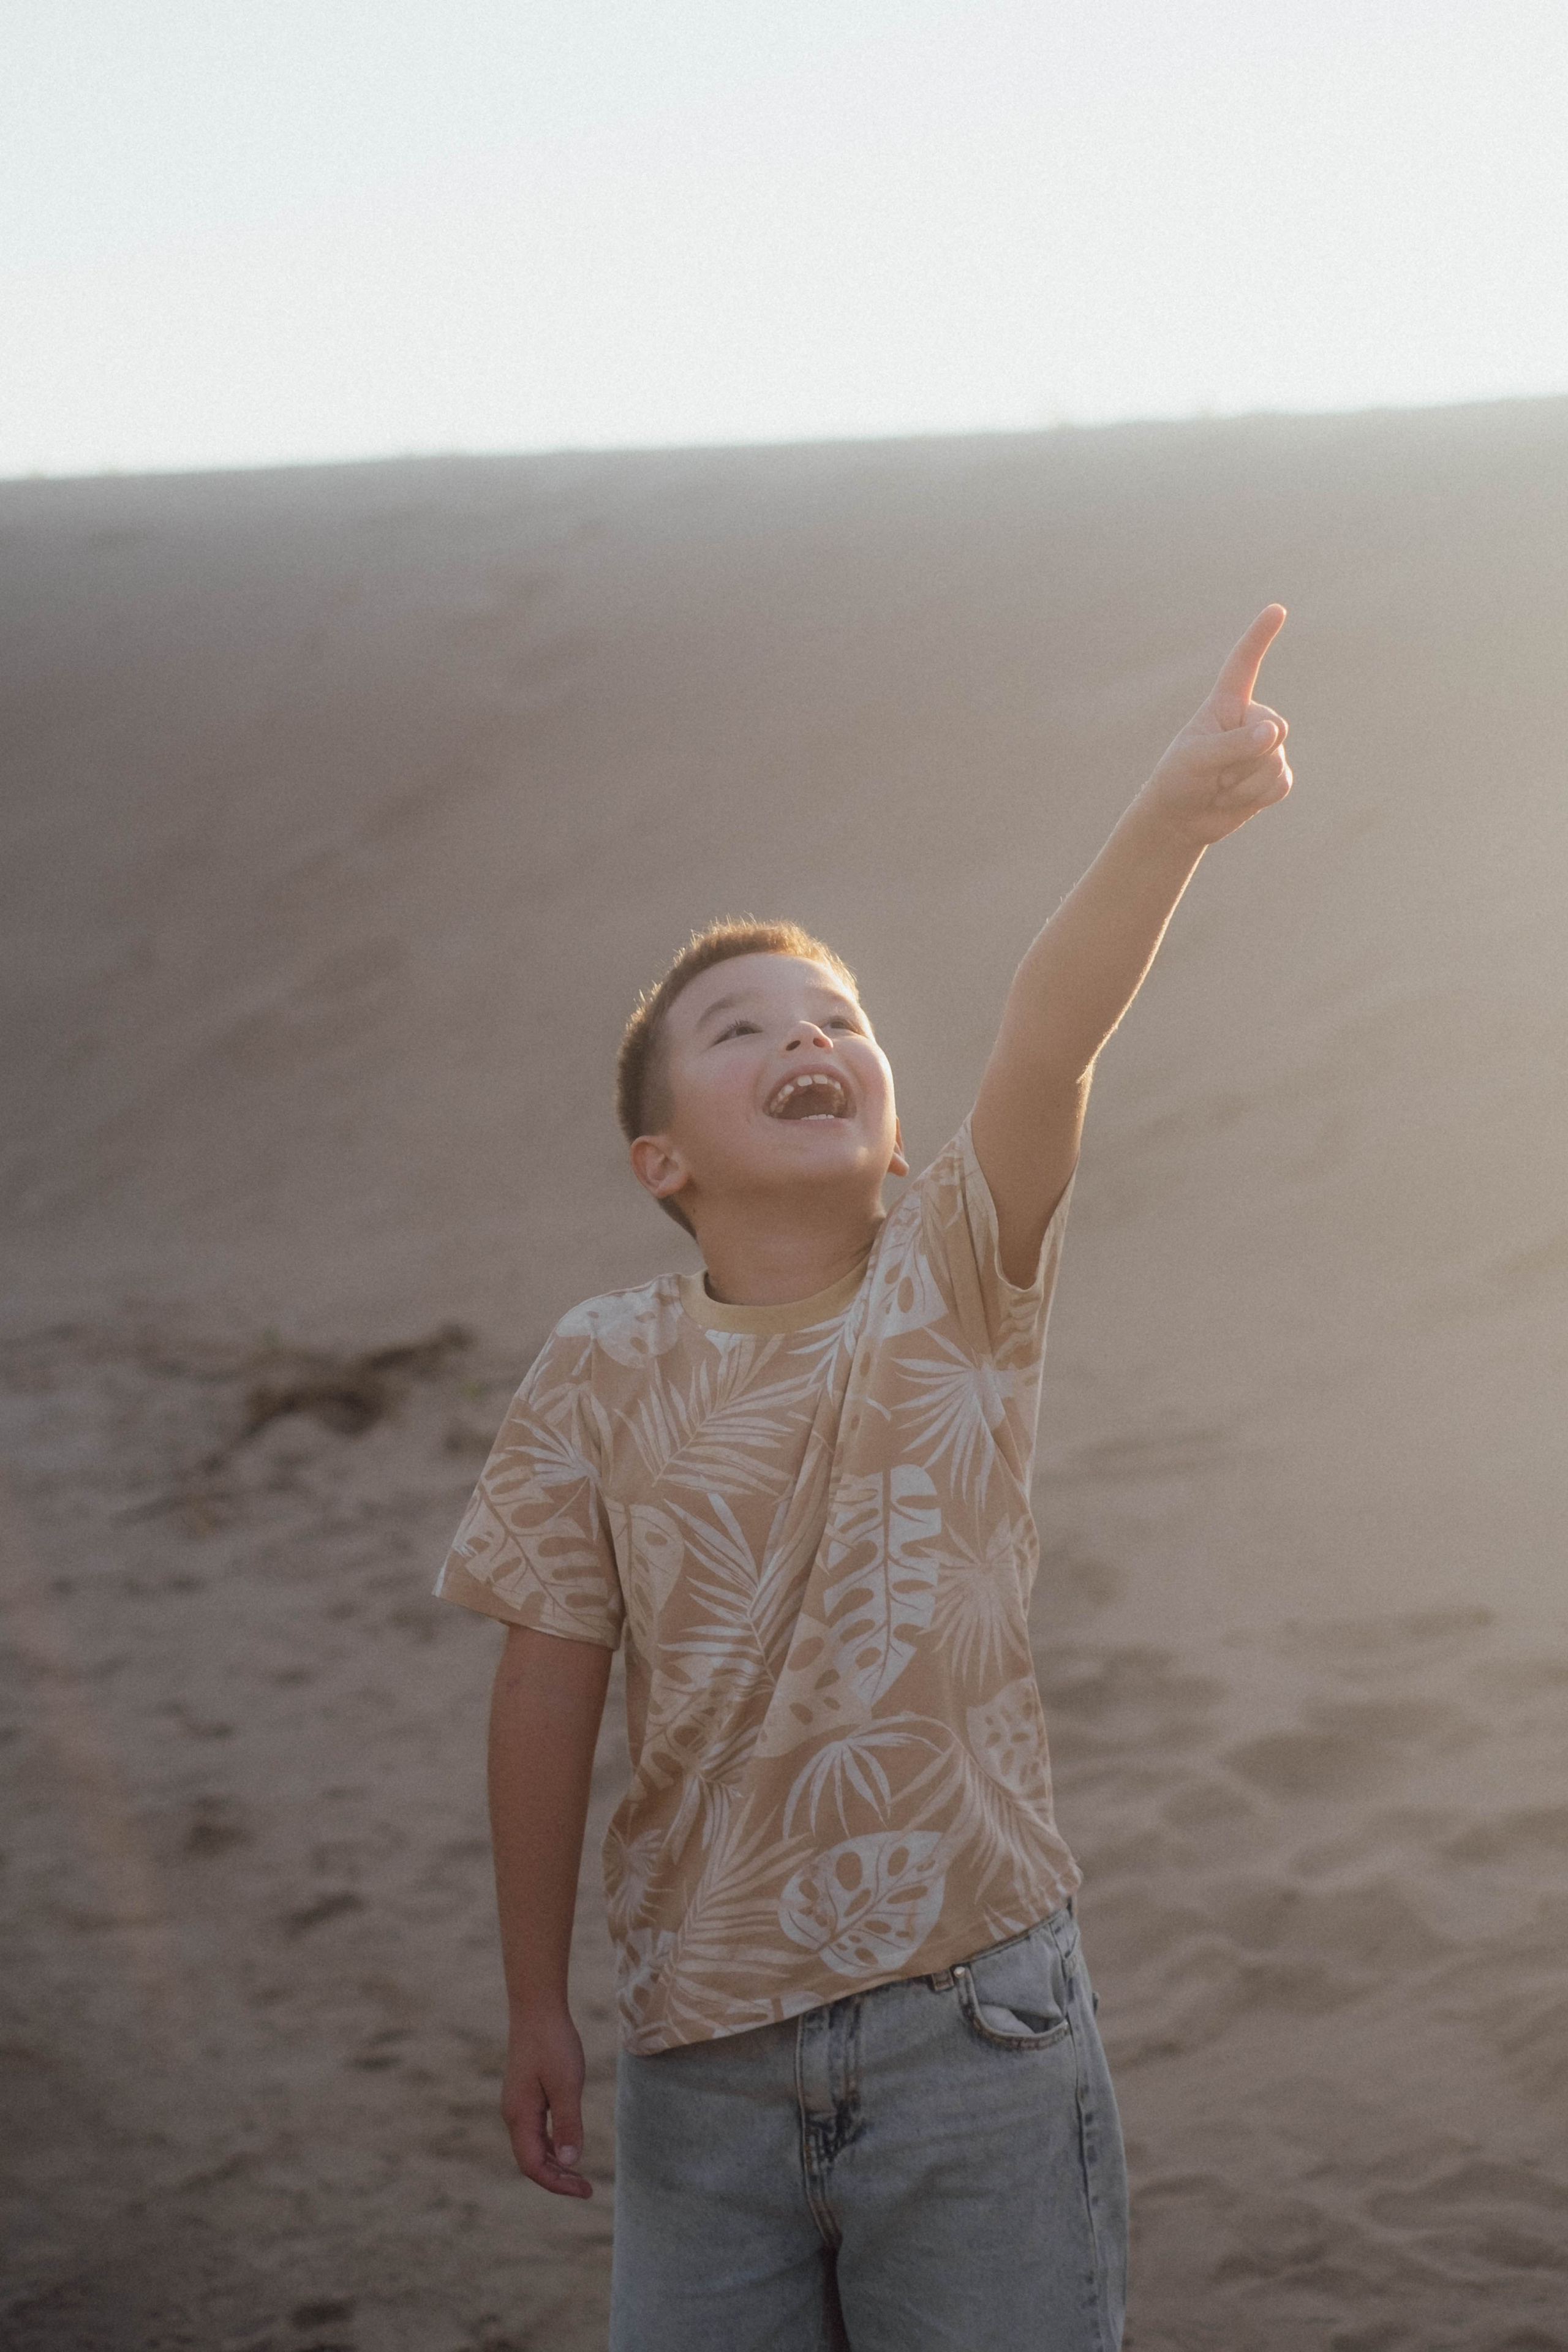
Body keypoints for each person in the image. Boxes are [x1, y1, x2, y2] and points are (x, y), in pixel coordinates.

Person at [435, 607, 1292, 2351]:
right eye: (741, 1027)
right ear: (659, 1156)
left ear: (893, 1122)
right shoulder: (601, 1363)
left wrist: (1167, 820)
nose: (806, 1036)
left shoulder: (960, 1277)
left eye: (838, 1017)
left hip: (975, 2025)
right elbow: (546, 1682)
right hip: (702, 2061)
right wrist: (537, 2002)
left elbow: (1051, 1038)